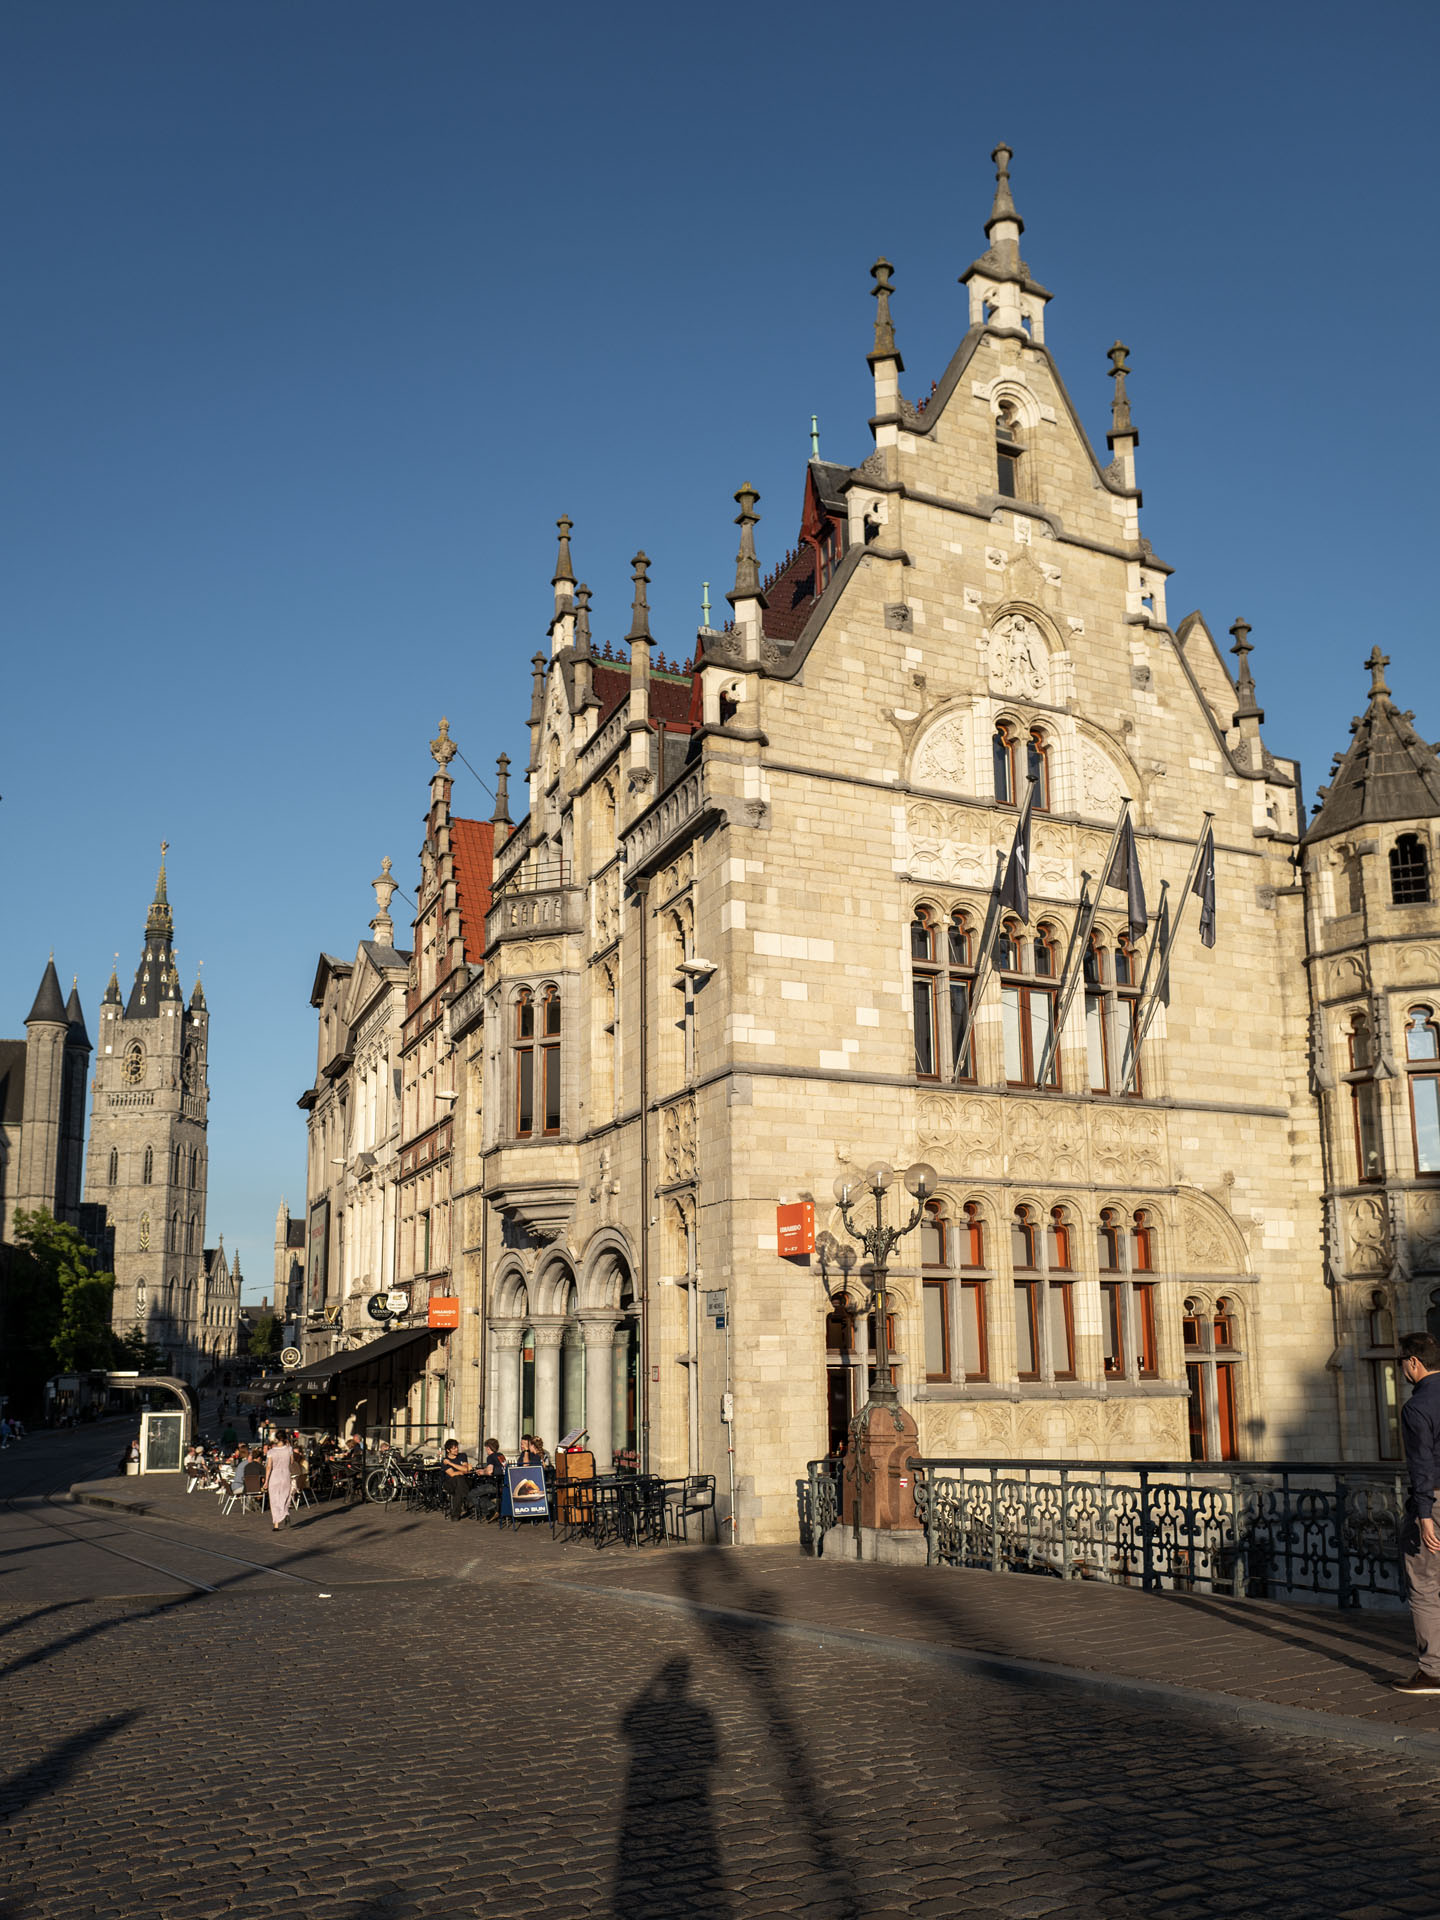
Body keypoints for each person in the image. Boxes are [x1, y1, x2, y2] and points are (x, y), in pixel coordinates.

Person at [1395, 1331, 1440, 1694]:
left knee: (1424, 1583)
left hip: (1436, 1501)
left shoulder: (1417, 1406)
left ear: (1414, 1362)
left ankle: (1433, 1670)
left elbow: (1422, 1464)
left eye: (1402, 1363)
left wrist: (1424, 1514)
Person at [262, 1429, 294, 1531]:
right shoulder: (289, 1449)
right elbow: (292, 1462)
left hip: (274, 1475)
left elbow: (268, 1467)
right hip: (285, 1474)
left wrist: (266, 1481)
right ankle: (285, 1512)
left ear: (276, 1438)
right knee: (285, 1496)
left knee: (274, 1499)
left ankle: (276, 1524)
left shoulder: (271, 1451)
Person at [440, 1439, 473, 1521]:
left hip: (461, 1483)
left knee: (459, 1489)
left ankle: (455, 1515)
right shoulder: (444, 1461)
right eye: (454, 1448)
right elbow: (452, 1474)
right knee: (458, 1478)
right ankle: (467, 1495)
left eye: (457, 1447)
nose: (457, 1449)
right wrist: (461, 1470)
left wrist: (451, 1463)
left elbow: (465, 1469)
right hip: (450, 1483)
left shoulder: (462, 1456)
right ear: (448, 1450)